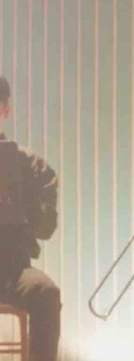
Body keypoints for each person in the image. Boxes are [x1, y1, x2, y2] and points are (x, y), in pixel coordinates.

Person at [0, 75, 61, 361]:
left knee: (46, 292)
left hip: (13, 269)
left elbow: (47, 228)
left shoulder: (30, 164)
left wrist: (17, 201)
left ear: (5, 110)